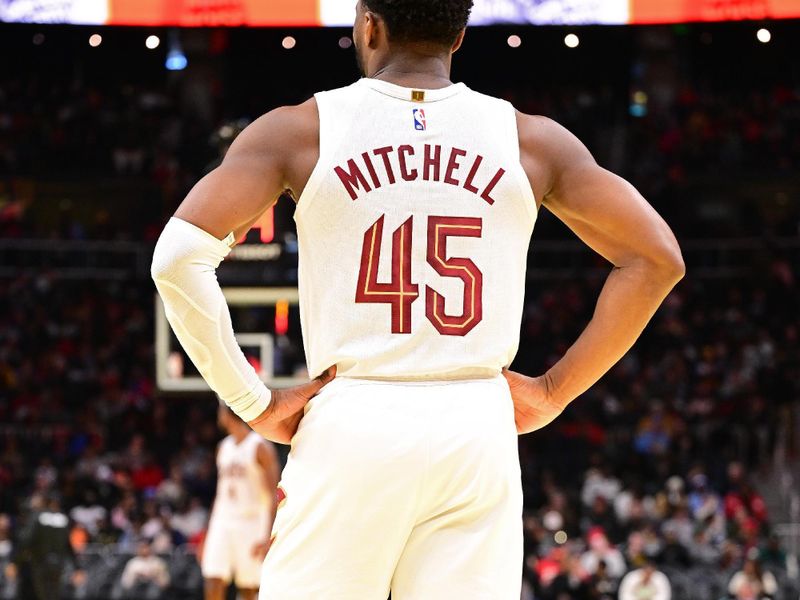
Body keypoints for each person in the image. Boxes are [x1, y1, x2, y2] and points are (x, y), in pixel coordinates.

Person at [150, 0, 684, 597]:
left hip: (353, 416)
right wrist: (555, 391)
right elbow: (656, 259)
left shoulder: (300, 130)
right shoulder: (531, 140)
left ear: (368, 25)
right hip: (477, 421)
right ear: (459, 36)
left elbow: (176, 259)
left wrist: (252, 401)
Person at [201, 404, 279, 600]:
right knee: (213, 578)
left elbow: (274, 493)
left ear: (227, 413)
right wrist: (207, 531)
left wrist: (270, 534)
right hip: (223, 519)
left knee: (249, 587)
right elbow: (220, 493)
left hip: (251, 522)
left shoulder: (260, 446)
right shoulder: (223, 447)